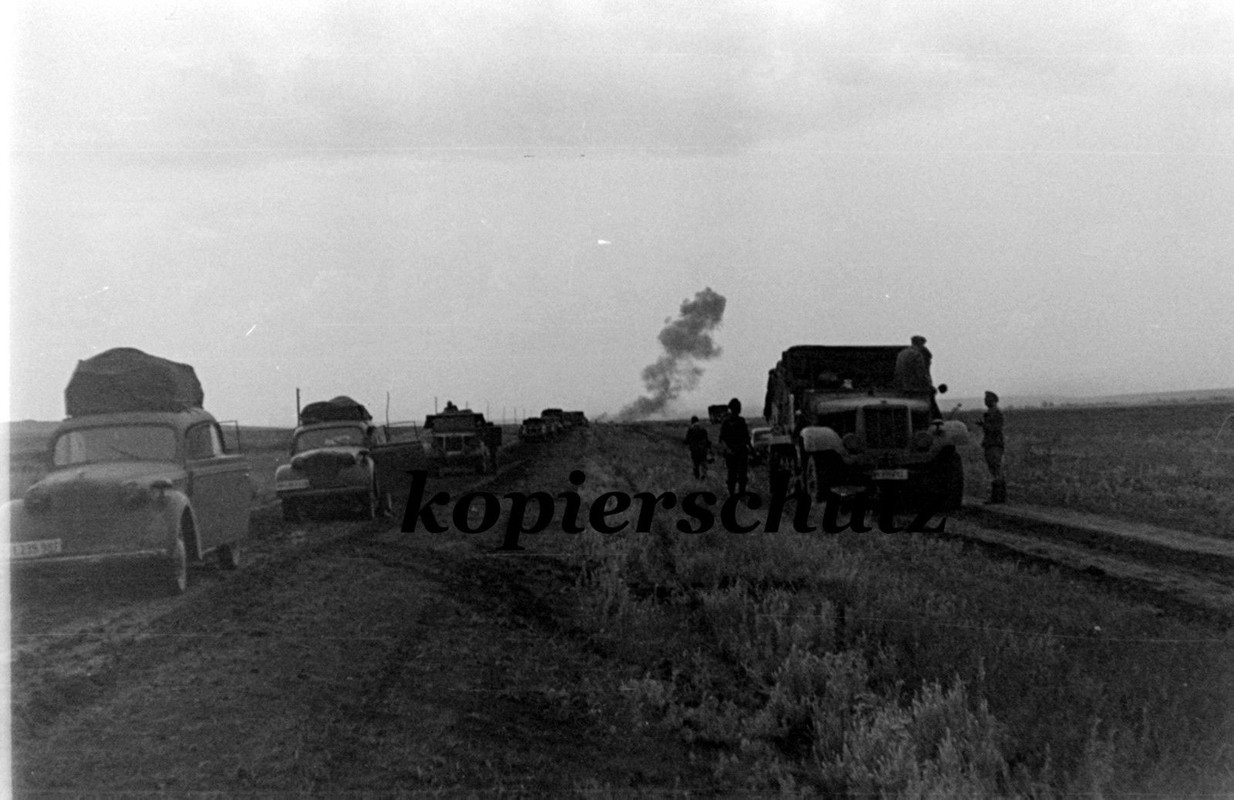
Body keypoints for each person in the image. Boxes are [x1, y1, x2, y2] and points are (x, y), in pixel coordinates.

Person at [895, 335, 940, 418]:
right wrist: (929, 386)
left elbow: (897, 372)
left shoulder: (901, 354)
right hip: (915, 390)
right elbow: (921, 374)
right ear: (920, 343)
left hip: (902, 389)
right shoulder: (917, 354)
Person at [718, 397, 752, 497]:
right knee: (741, 475)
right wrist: (751, 449)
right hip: (740, 451)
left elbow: (722, 439)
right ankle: (740, 494)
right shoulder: (741, 421)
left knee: (732, 474)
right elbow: (746, 438)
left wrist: (728, 449)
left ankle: (732, 494)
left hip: (732, 452)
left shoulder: (726, 422)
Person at [976, 390, 1006, 504]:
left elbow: (995, 429)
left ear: (992, 400)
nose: (984, 401)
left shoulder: (995, 413)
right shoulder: (992, 412)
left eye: (986, 399)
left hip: (994, 444)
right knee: (994, 469)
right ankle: (998, 497)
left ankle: (997, 497)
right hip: (992, 443)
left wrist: (984, 425)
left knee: (995, 468)